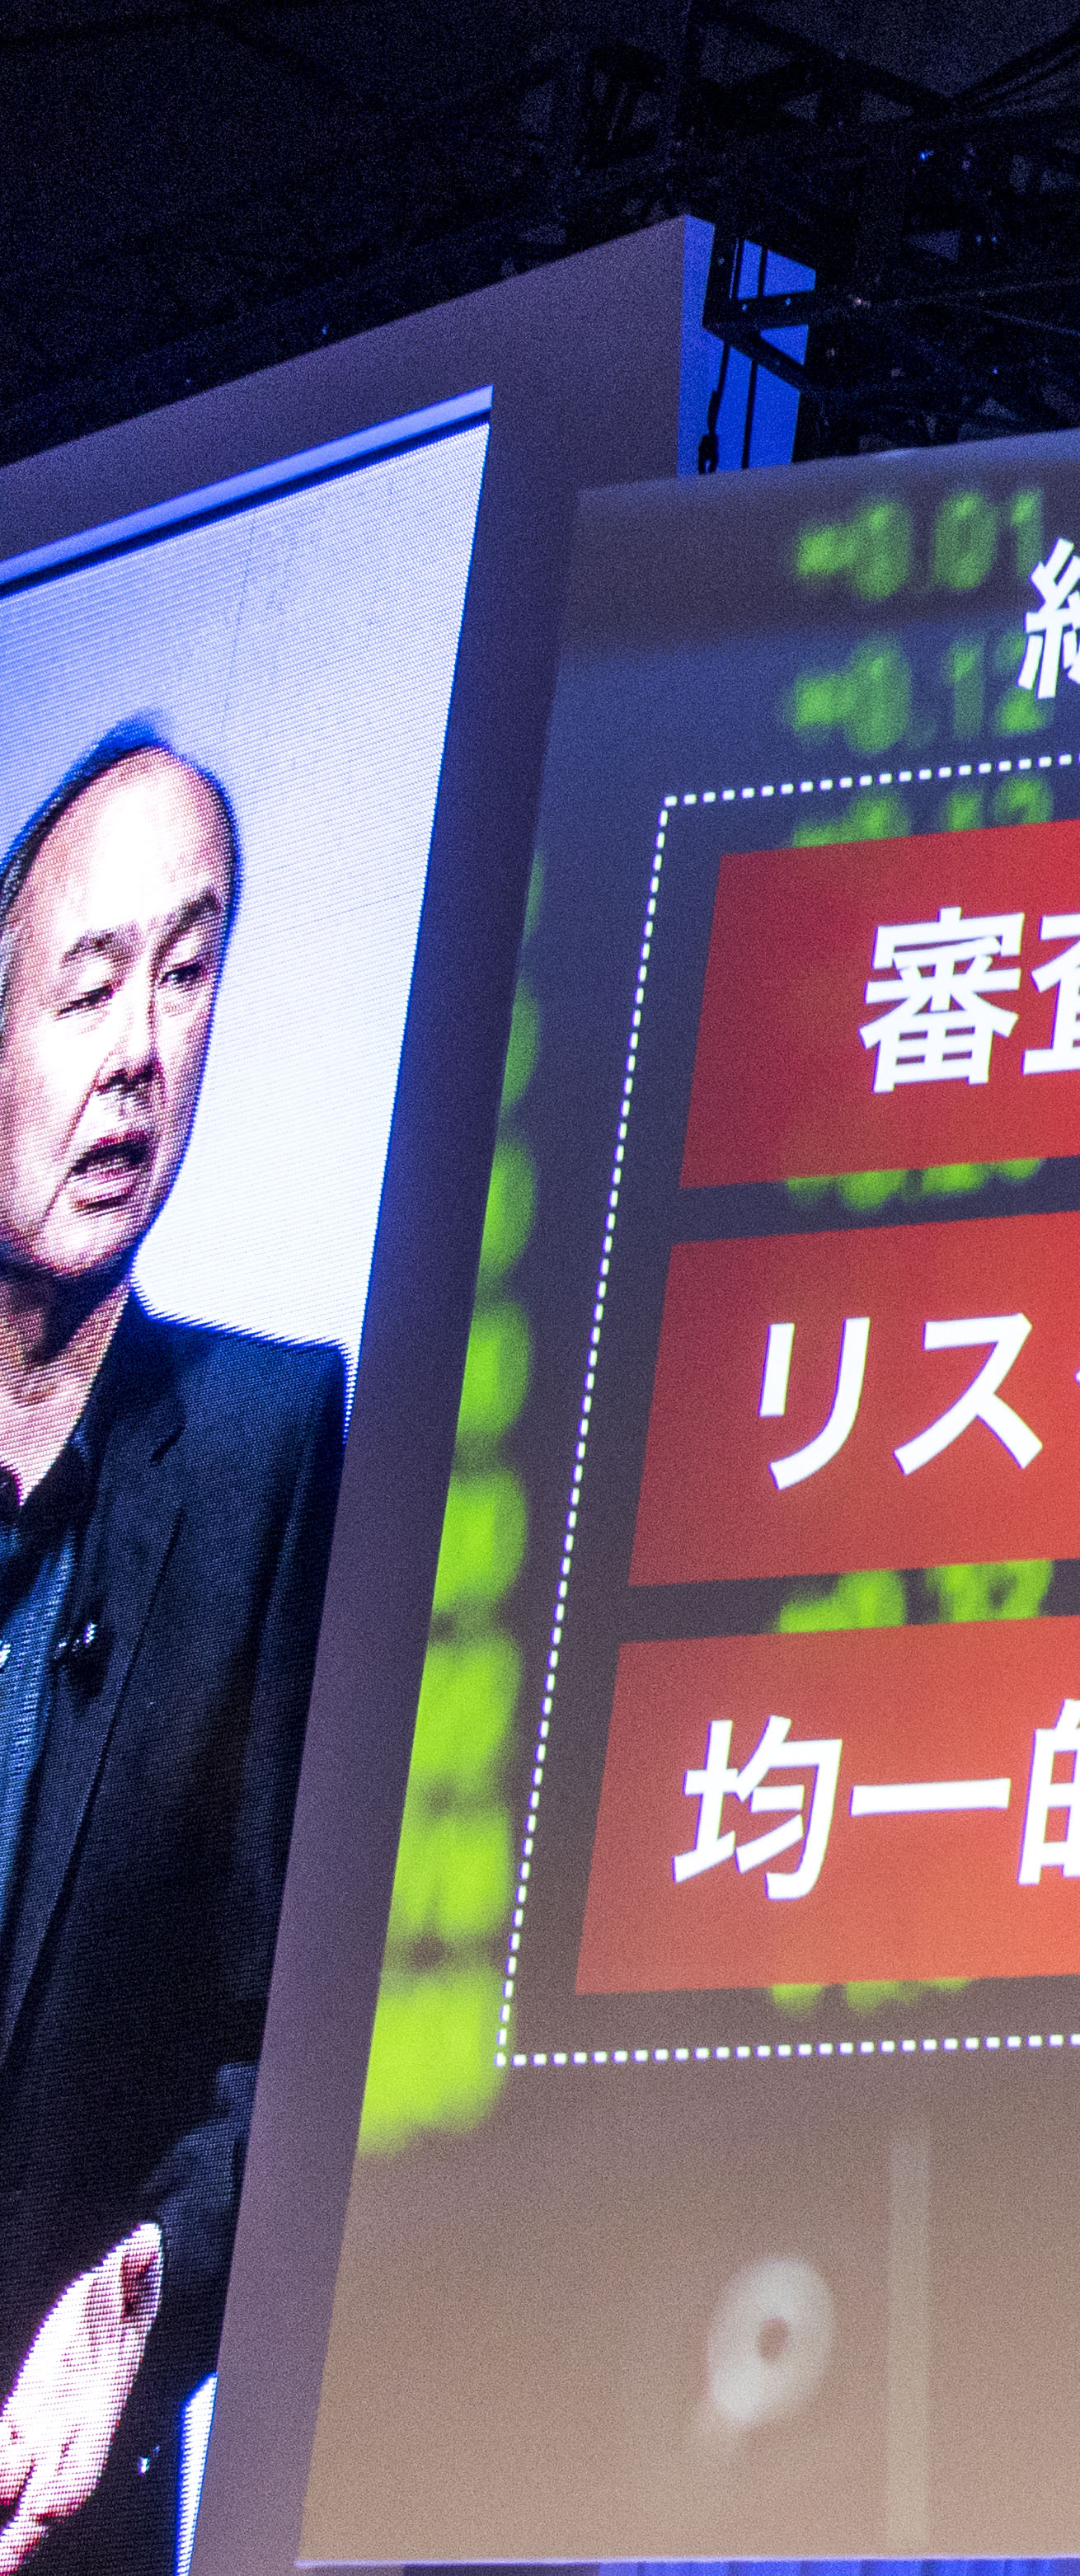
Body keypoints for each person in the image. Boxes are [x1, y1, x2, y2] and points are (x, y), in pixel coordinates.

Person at [0, 729, 342, 2575]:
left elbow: (293, 2047)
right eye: (89, 986)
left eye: (189, 972)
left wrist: (145, 2284)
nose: (142, 1048)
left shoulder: (266, 1453)